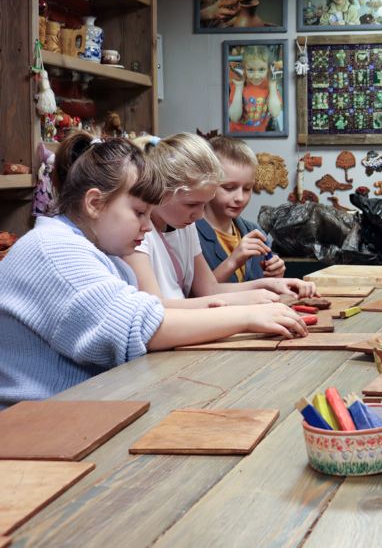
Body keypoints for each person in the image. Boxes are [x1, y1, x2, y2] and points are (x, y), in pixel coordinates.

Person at [0, 133, 306, 407]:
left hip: (77, 410)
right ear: (94, 203)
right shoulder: (54, 250)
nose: (147, 226)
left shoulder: (90, 249)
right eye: (138, 213)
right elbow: (145, 326)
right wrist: (248, 316)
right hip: (38, 426)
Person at [123, 133, 314, 307]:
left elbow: (209, 289)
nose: (199, 215)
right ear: (162, 191)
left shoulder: (184, 227)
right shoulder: (136, 235)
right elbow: (156, 308)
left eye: (204, 204)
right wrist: (248, 304)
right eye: (191, 205)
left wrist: (271, 284)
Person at [197, 137, 285, 283]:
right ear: (207, 182)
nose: (240, 197)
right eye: (229, 188)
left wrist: (276, 274)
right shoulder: (189, 234)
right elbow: (195, 294)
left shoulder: (254, 232)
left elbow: (264, 286)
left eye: (247, 188)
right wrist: (233, 261)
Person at [228, 45, 283, 134]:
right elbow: (234, 117)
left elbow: (275, 113)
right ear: (244, 69)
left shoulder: (270, 83)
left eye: (261, 69)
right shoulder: (239, 82)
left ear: (268, 69)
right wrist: (238, 88)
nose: (256, 76)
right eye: (250, 70)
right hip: (236, 134)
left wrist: (272, 85)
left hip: (259, 135)